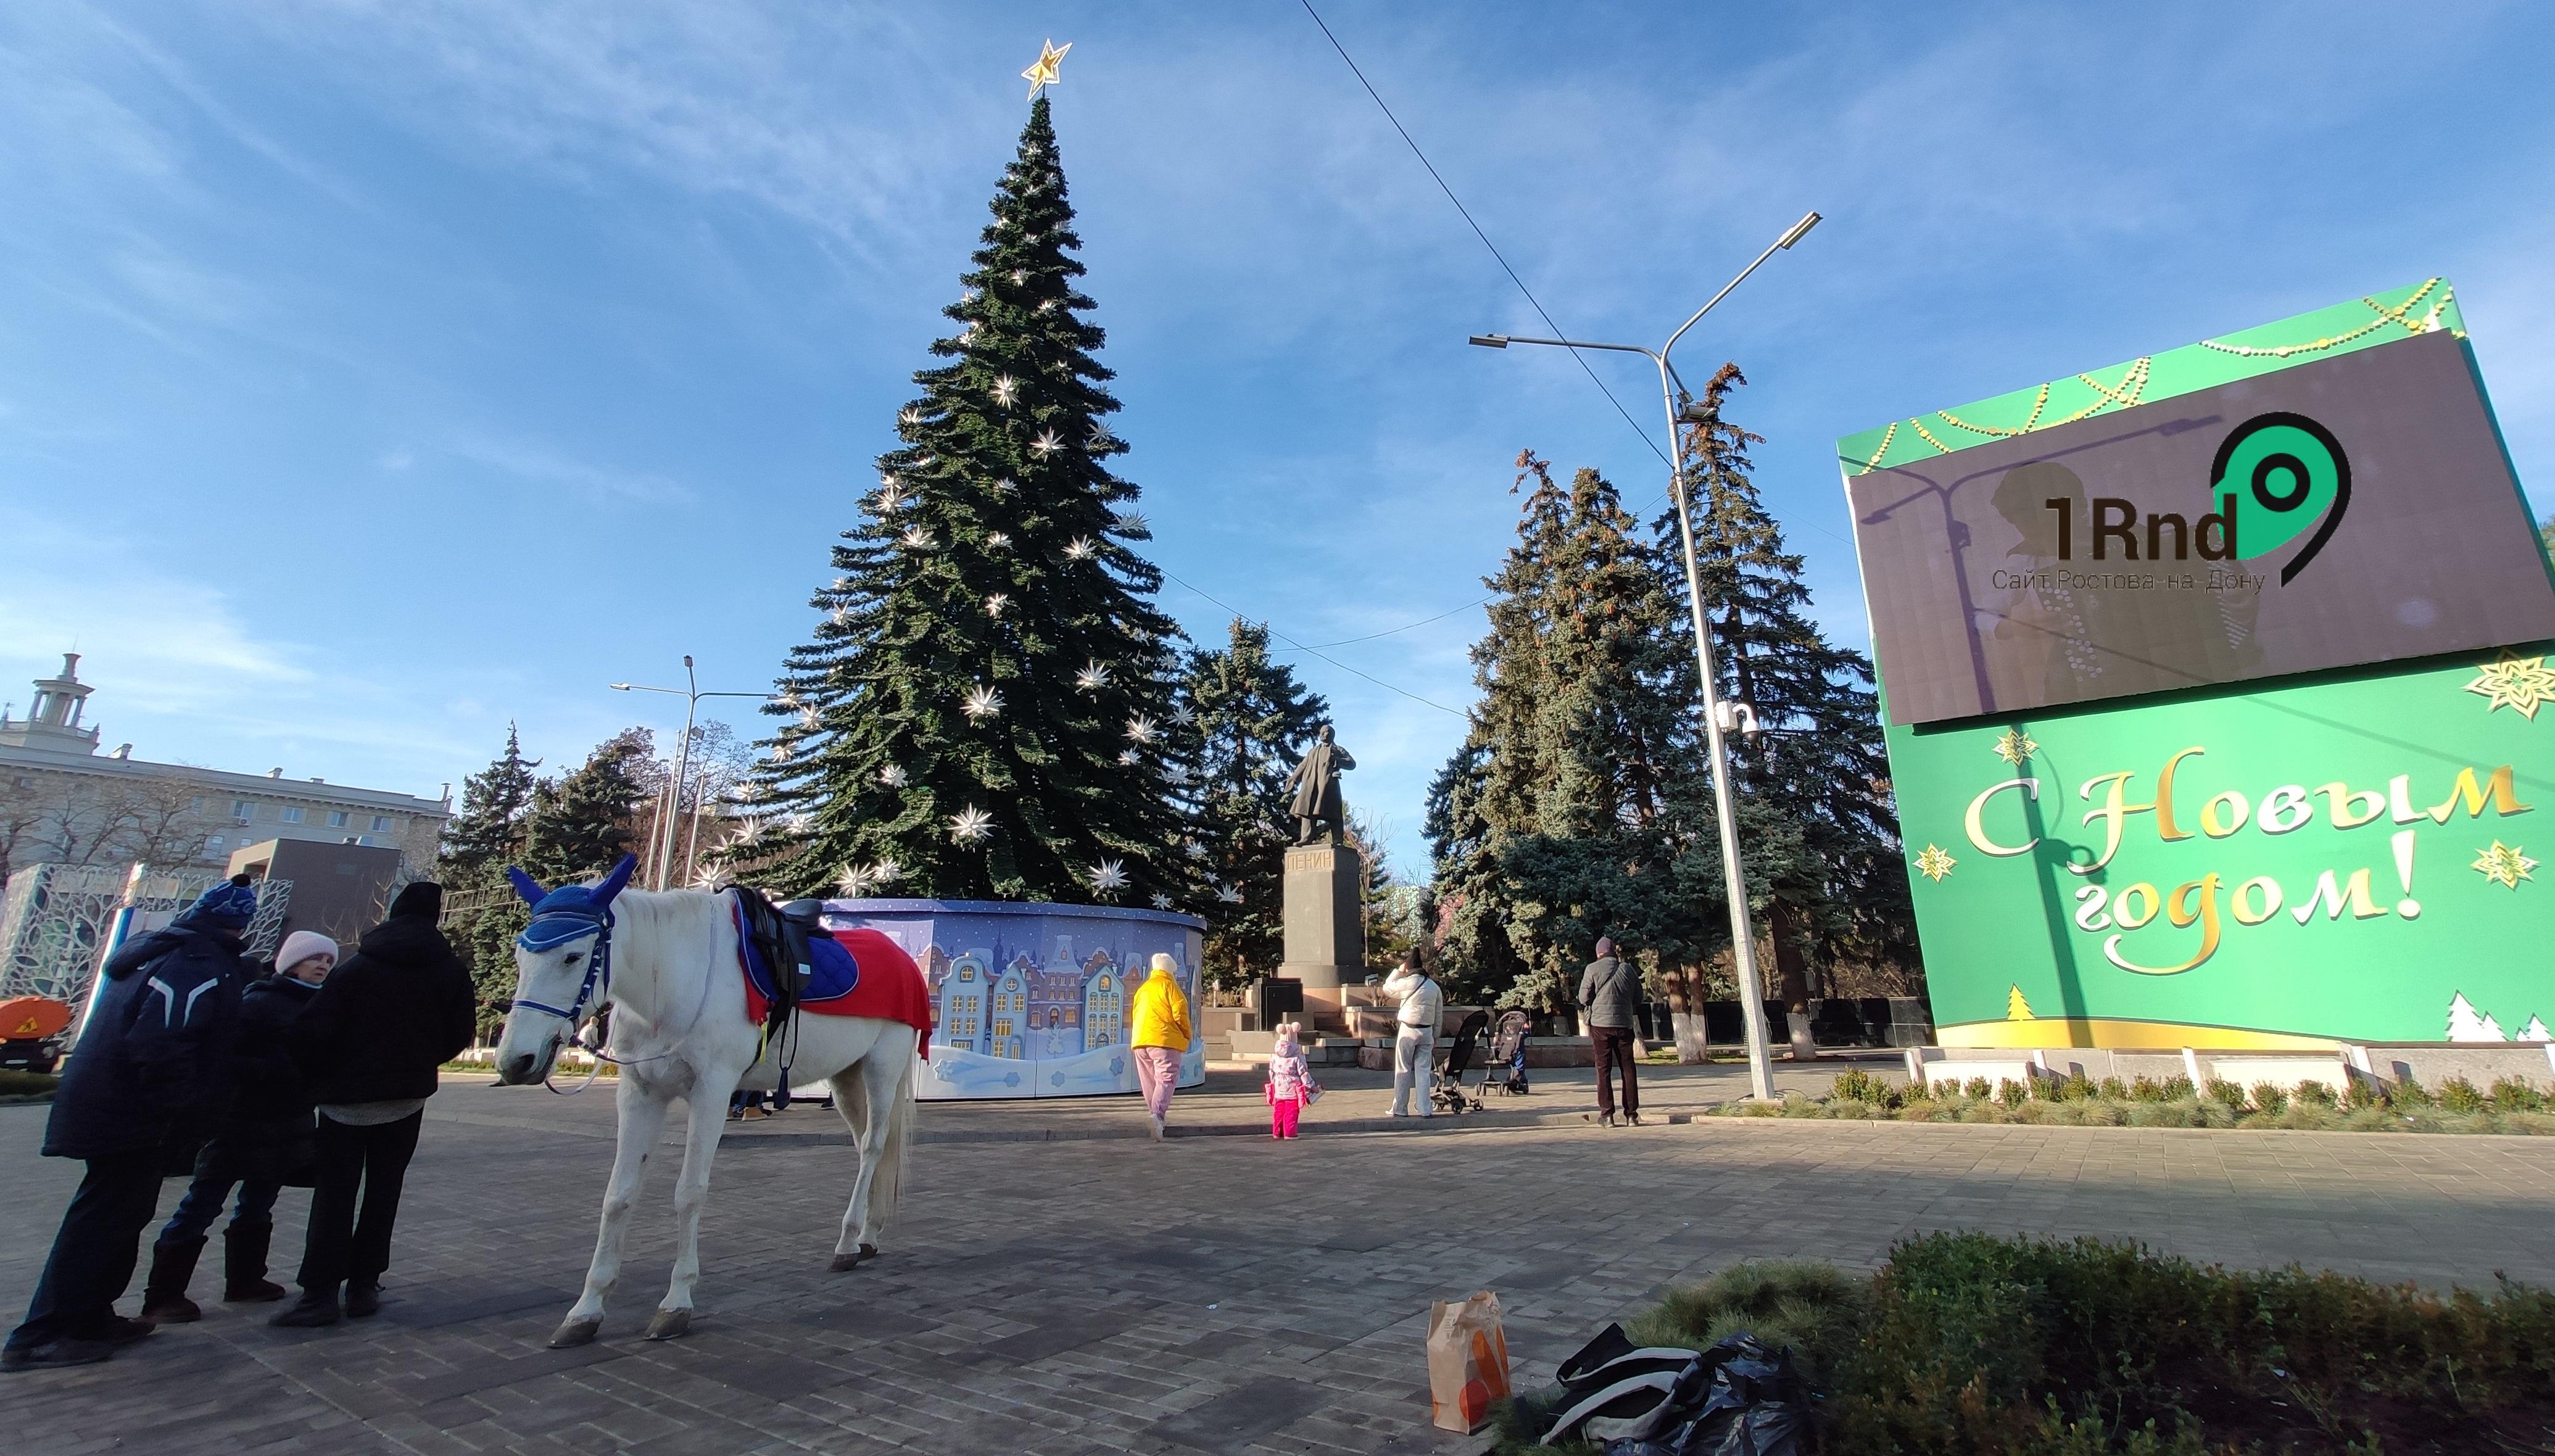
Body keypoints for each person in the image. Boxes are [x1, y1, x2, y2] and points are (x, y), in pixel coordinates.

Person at [4, 876, 257, 1372]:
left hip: (116, 1109)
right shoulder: (194, 965)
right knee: (100, 1221)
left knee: (119, 1217)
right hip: (132, 1115)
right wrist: (181, 1111)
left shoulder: (159, 954)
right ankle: (45, 1333)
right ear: (237, 925)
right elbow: (163, 1044)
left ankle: (91, 1317)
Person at [273, 882, 474, 1328]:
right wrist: (419, 1063)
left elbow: (312, 1030)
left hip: (346, 1100)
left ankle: (320, 1294)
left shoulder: (358, 968)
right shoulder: (449, 971)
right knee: (385, 1191)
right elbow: (460, 1033)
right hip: (407, 1098)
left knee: (334, 1195)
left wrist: (324, 1075)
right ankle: (364, 1286)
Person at [139, 931, 335, 1322]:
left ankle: (246, 1280)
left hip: (288, 1122)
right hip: (242, 1121)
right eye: (315, 958)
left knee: (260, 1201)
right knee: (203, 1203)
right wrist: (281, 1072)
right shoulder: (259, 1002)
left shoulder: (322, 1005)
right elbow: (227, 1059)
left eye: (329, 962)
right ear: (291, 962)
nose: (323, 967)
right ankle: (163, 1295)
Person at [1127, 952, 1191, 1142]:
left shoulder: (1143, 989)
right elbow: (1180, 1015)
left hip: (1141, 1041)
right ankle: (1157, 1116)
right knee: (1166, 1077)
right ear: (1171, 969)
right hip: (1165, 1040)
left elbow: (1135, 1013)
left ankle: (1155, 1116)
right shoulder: (1171, 987)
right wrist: (1187, 1034)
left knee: (1149, 1080)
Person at [1580, 937, 1641, 1128]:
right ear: (1614, 951)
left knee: (1603, 1070)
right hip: (1624, 1025)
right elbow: (1639, 997)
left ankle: (1607, 1116)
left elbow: (1583, 997)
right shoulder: (1628, 969)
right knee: (1628, 1070)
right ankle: (1632, 1115)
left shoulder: (1592, 969)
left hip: (1601, 1027)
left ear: (1599, 953)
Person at [1384, 951, 1441, 1118]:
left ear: (1408, 967)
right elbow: (1439, 1015)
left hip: (1408, 1030)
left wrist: (1398, 971)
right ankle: (1425, 1109)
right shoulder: (1434, 987)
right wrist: (1435, 1036)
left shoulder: (1408, 982)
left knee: (1403, 1069)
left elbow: (1387, 988)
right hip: (1427, 1031)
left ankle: (1400, 1109)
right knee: (1423, 1071)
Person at [1265, 1021, 1315, 1141]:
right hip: (1292, 1090)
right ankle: (1290, 1133)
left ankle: (1278, 1132)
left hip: (1279, 1088)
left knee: (1279, 1112)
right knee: (1291, 1112)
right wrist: (1311, 1086)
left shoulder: (1275, 1056)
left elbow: (1271, 1072)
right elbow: (1303, 1073)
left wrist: (1275, 1083)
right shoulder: (1297, 1056)